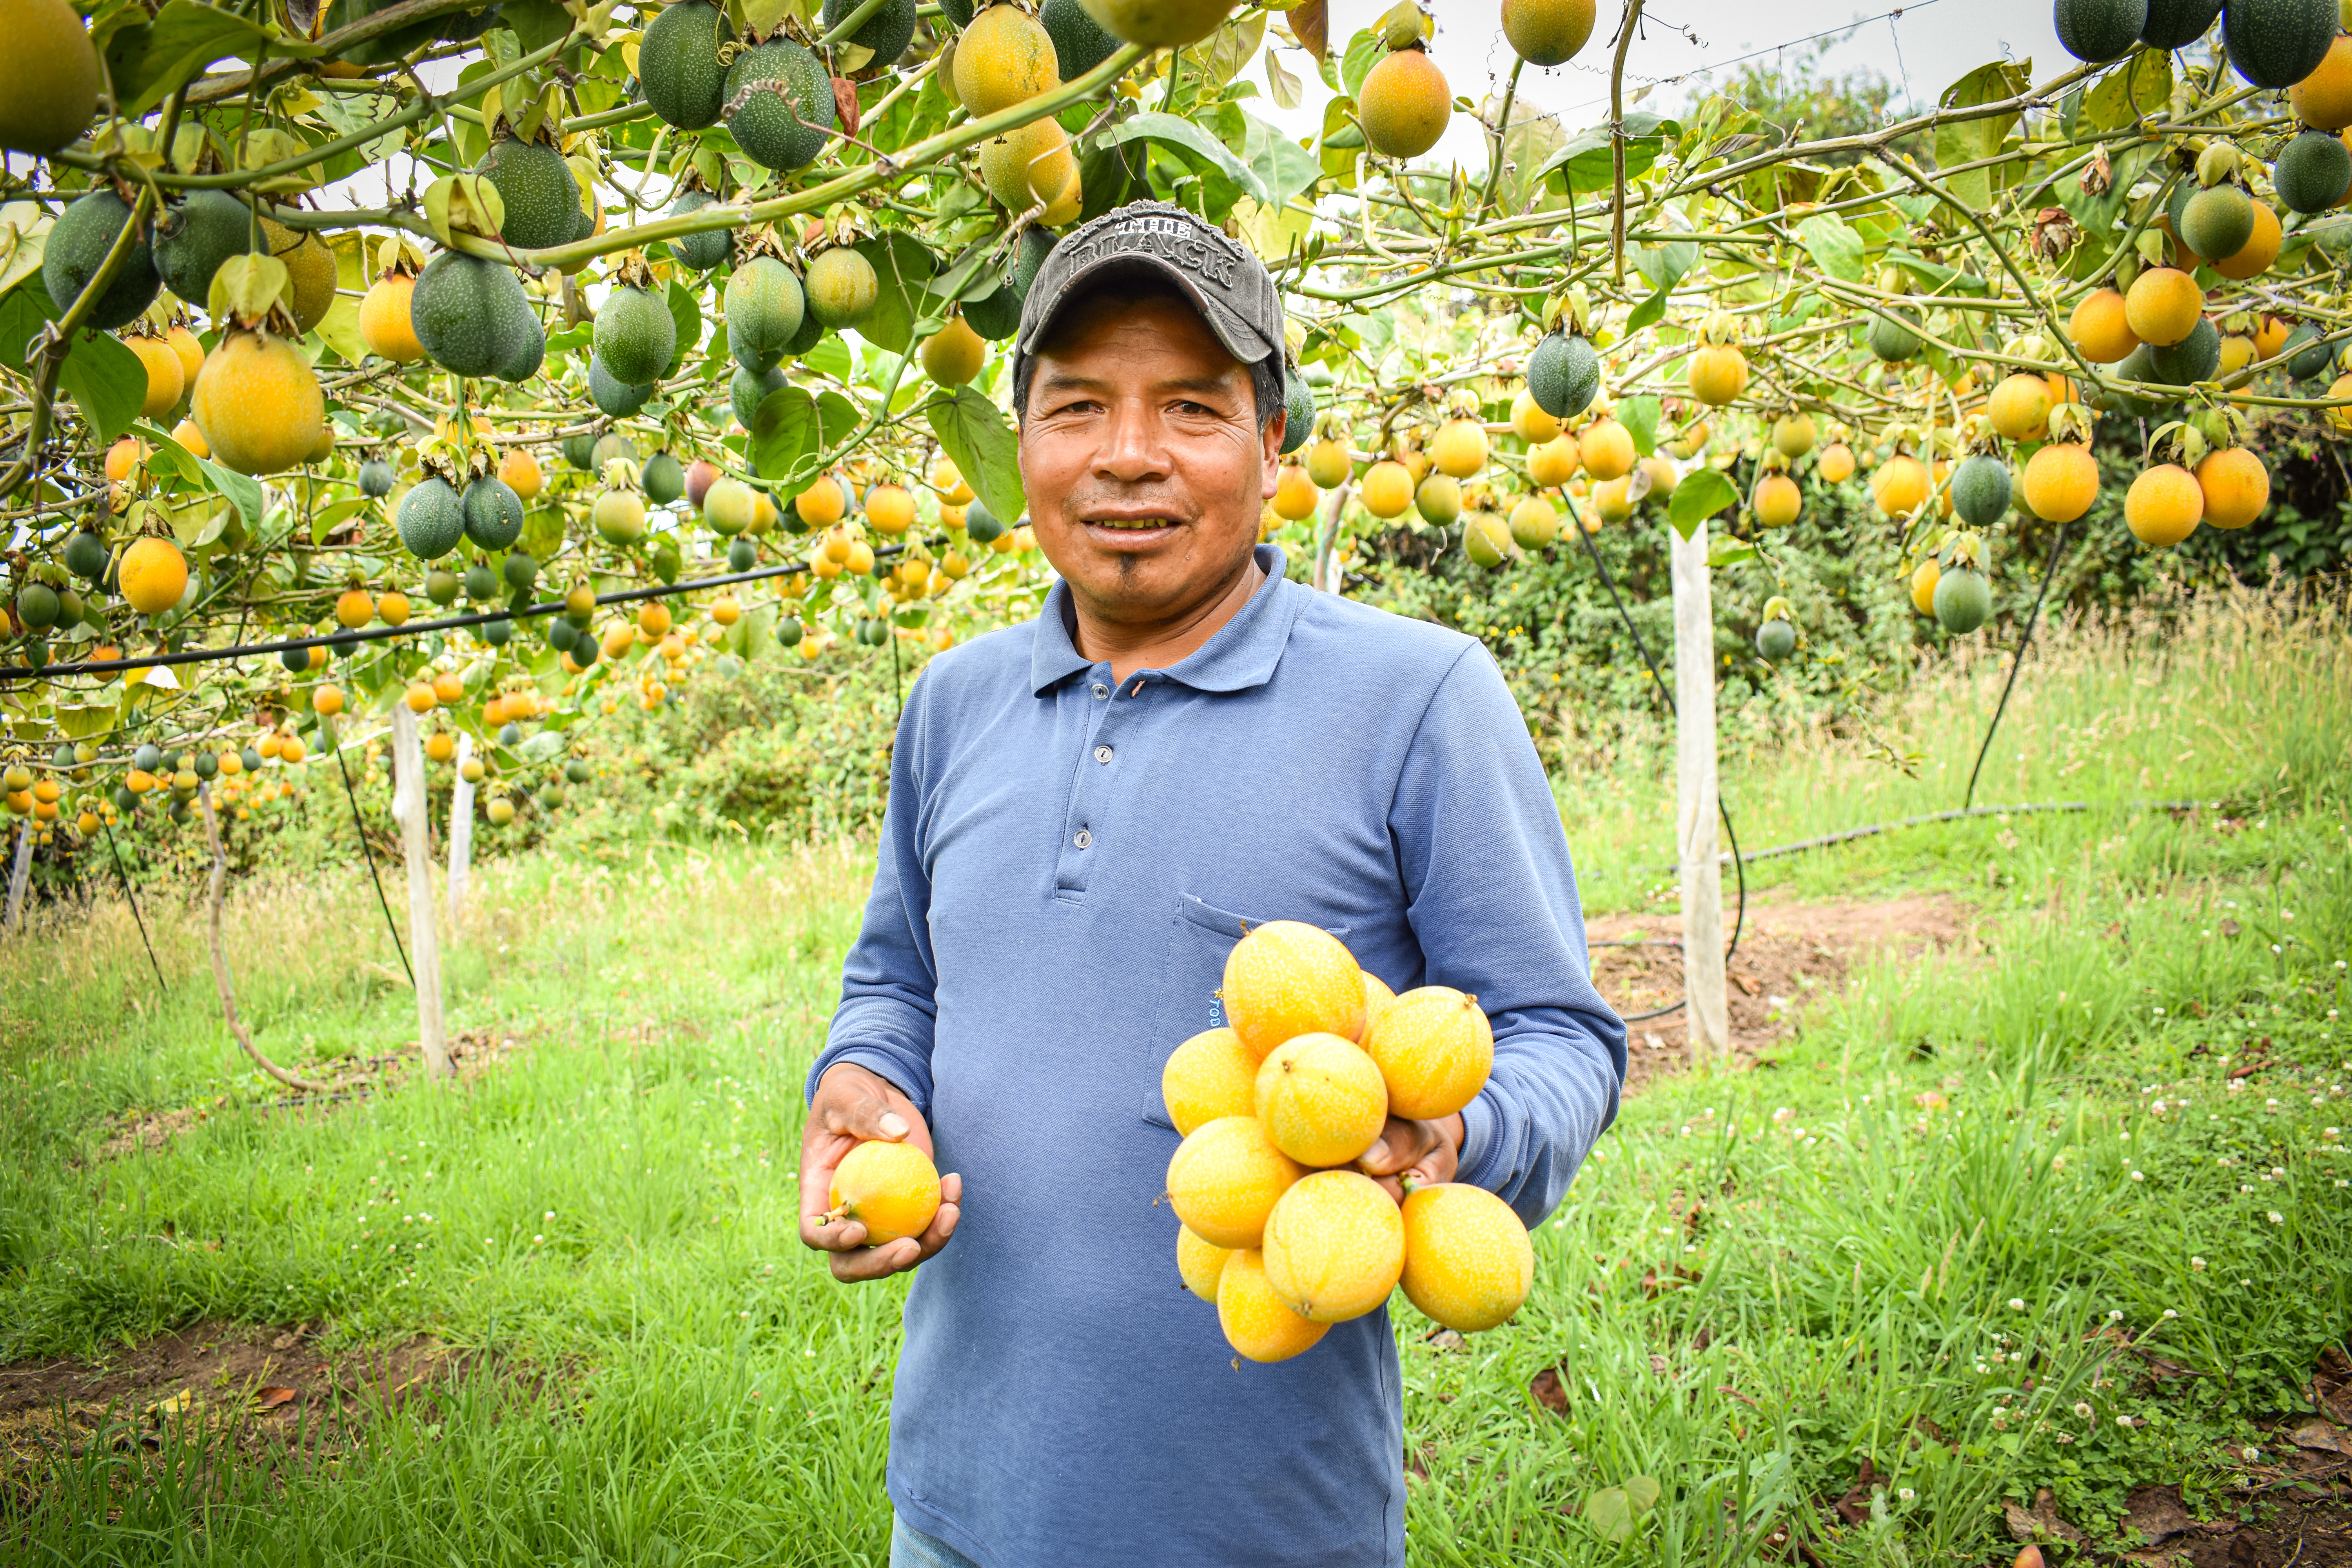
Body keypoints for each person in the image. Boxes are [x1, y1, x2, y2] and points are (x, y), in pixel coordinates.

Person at [800, 200, 1626, 1568]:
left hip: (1261, 1529)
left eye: (1191, 405)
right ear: (1022, 445)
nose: (1129, 455)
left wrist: (1450, 1140)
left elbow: (1559, 1035)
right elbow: (899, 976)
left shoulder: (1419, 700)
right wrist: (861, 1070)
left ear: (1272, 445)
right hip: (952, 1509)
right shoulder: (952, 704)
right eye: (1078, 407)